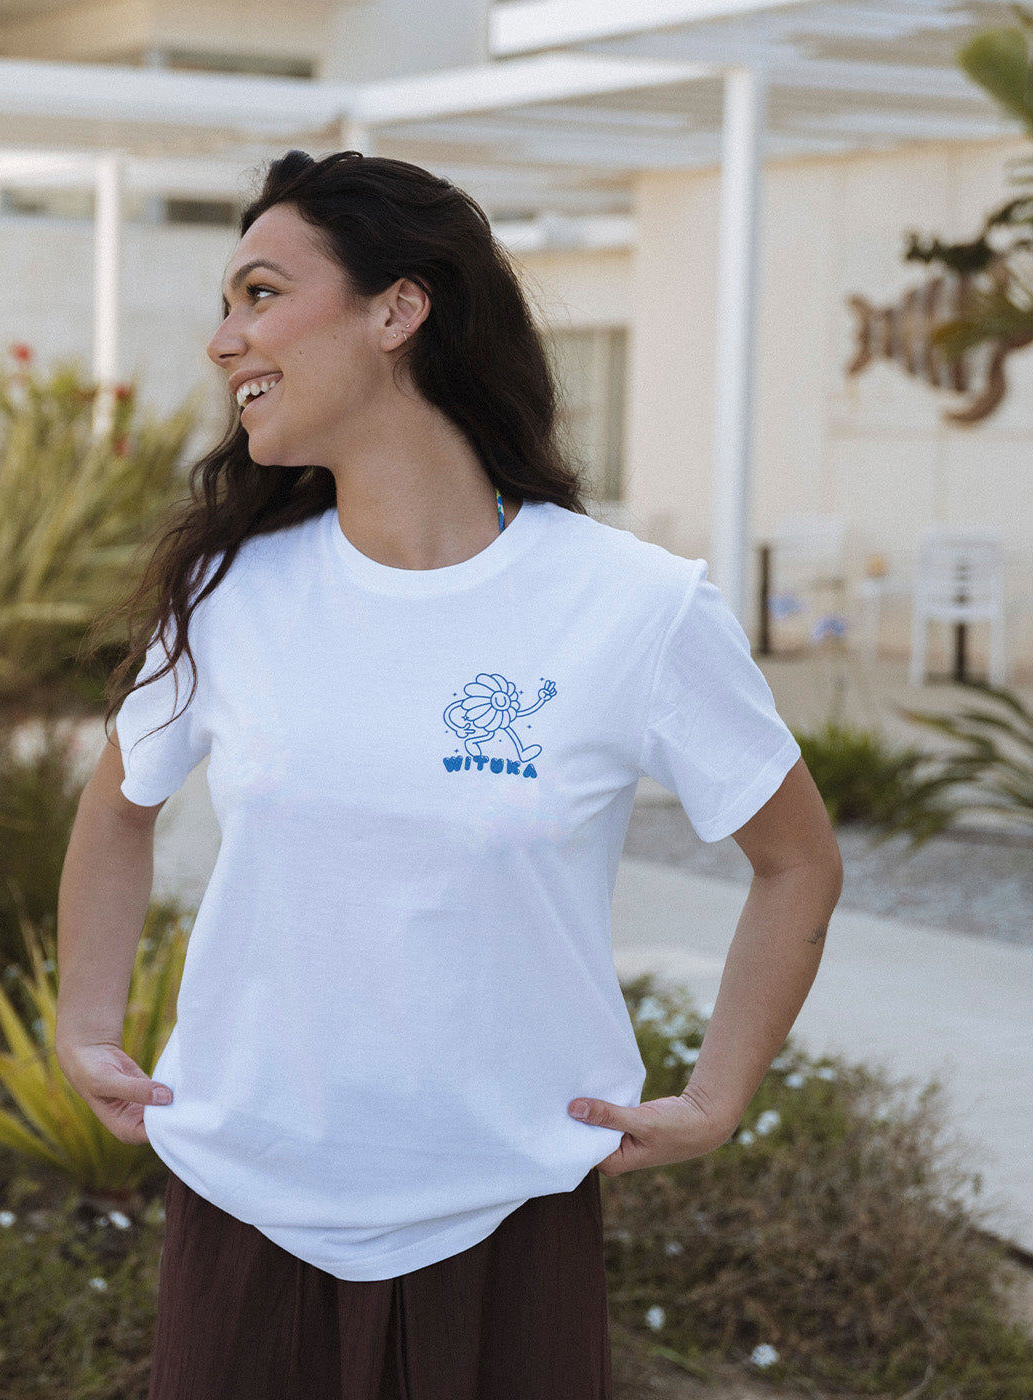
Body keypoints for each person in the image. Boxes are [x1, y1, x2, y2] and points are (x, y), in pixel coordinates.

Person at [55, 150, 843, 1400]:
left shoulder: (628, 604)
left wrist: (716, 1095)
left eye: (261, 293)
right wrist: (85, 1026)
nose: (223, 338)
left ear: (396, 309)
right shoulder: (232, 591)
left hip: (506, 1216)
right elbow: (117, 807)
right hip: (243, 1200)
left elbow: (795, 860)